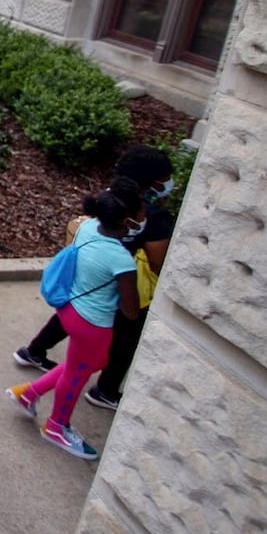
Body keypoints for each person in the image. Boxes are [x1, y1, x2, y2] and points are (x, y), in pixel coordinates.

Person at [13, 147, 176, 412]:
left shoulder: (104, 204)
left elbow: (77, 231)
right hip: (110, 300)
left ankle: (33, 362)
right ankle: (88, 402)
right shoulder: (145, 227)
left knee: (76, 335)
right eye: (166, 177)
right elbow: (157, 266)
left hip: (83, 288)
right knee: (100, 355)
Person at [6, 187, 142, 461]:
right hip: (93, 324)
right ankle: (57, 426)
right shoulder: (122, 260)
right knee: (79, 373)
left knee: (86, 363)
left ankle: (29, 393)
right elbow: (131, 311)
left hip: (69, 309)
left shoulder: (89, 227)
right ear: (126, 221)